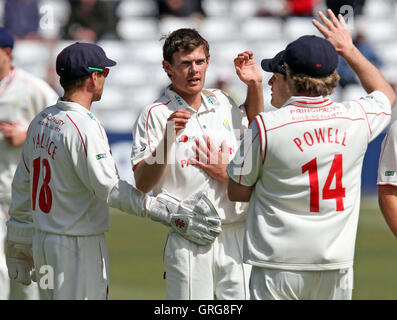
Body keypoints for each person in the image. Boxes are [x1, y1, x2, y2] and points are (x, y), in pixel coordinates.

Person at [5, 41, 222, 300]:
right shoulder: (85, 126)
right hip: (77, 246)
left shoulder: (42, 120)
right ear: (93, 77)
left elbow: (21, 185)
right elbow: (110, 189)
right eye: (104, 73)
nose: (104, 80)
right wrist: (165, 211)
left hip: (43, 243)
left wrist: (17, 244)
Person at [226, 9, 396, 300]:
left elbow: (238, 191)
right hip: (336, 265)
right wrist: (348, 48)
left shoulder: (267, 126)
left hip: (277, 265)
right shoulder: (357, 118)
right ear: (331, 77)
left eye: (276, 74)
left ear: (290, 76)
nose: (270, 82)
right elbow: (386, 94)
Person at [130, 28, 263, 299]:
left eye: (200, 62)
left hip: (236, 233)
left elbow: (254, 129)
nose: (194, 71)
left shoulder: (222, 101)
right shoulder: (155, 114)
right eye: (185, 64)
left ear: (208, 62)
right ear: (168, 67)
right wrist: (168, 138)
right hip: (189, 234)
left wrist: (255, 86)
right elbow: (142, 183)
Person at [0, 27, 58, 300]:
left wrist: (26, 134)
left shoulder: (32, 88)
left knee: (24, 268)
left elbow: (61, 125)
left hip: (22, 195)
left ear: (7, 53)